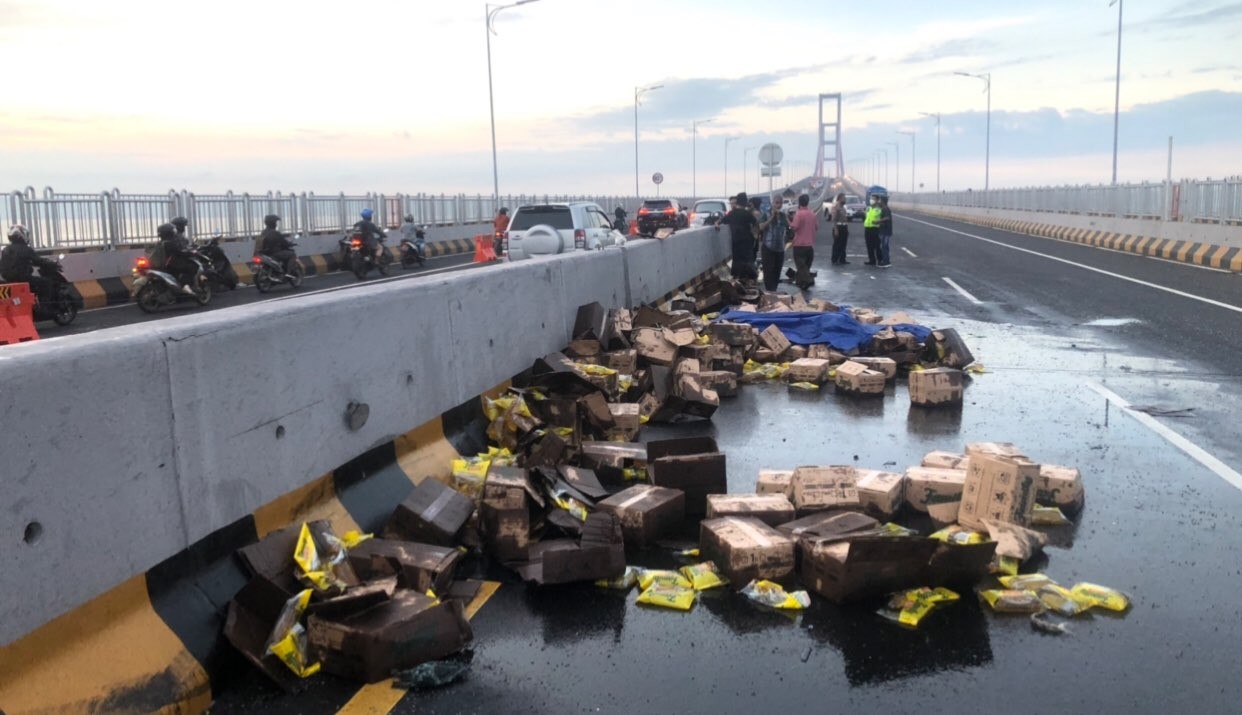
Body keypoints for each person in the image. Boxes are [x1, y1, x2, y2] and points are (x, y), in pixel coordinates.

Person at [1, 224, 57, 303]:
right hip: (23, 279)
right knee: (46, 283)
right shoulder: (25, 249)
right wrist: (51, 263)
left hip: (8, 280)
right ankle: (45, 307)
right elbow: (38, 261)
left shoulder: (5, 250)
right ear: (22, 235)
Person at [715, 191, 759, 282]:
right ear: (744, 203)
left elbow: (721, 221)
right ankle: (749, 285)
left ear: (737, 202)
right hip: (747, 244)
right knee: (749, 268)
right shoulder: (747, 214)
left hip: (736, 243)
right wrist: (755, 236)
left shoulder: (732, 214)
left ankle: (738, 284)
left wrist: (717, 224)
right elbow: (756, 225)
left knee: (737, 267)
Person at [157, 222, 200, 294]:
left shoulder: (161, 243)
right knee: (193, 266)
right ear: (169, 232)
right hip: (172, 264)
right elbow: (179, 252)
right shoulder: (170, 243)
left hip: (165, 264)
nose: (174, 231)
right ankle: (185, 286)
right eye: (173, 230)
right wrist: (191, 253)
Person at [758, 196, 789, 292]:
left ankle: (774, 290)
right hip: (768, 247)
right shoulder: (766, 214)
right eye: (776, 203)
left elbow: (788, 227)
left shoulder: (783, 215)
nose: (778, 205)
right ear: (772, 203)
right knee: (768, 271)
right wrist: (772, 217)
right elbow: (761, 227)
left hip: (780, 248)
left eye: (780, 203)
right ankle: (769, 291)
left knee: (777, 271)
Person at [789, 194, 817, 290]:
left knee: (801, 266)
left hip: (799, 245)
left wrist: (789, 222)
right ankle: (802, 283)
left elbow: (794, 227)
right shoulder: (812, 214)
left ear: (799, 203)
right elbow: (816, 227)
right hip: (810, 245)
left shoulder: (798, 214)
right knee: (806, 266)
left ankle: (807, 280)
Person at [827, 193, 850, 265]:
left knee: (843, 244)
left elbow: (845, 219)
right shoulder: (836, 207)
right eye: (844, 198)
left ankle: (842, 259)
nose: (845, 199)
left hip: (844, 227)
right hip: (838, 227)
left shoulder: (843, 207)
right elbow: (834, 219)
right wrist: (836, 229)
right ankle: (835, 259)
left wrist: (847, 229)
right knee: (837, 244)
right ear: (840, 198)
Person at [863, 195, 883, 266]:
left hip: (875, 229)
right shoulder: (868, 208)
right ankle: (872, 260)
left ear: (877, 200)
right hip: (867, 228)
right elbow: (865, 216)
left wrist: (879, 222)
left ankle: (880, 260)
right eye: (871, 199)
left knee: (877, 246)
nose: (871, 200)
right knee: (869, 246)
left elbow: (883, 220)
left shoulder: (879, 210)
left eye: (873, 199)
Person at [878, 196, 893, 268]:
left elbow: (887, 218)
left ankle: (886, 262)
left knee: (884, 246)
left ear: (883, 201)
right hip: (884, 231)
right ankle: (886, 260)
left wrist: (878, 221)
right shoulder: (884, 208)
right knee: (885, 246)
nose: (879, 202)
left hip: (885, 231)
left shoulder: (885, 209)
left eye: (880, 200)